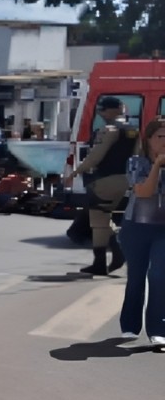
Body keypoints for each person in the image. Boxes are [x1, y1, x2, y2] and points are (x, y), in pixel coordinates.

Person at [65, 96, 133, 275]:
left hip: (105, 179)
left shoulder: (109, 130)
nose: (101, 114)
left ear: (113, 110)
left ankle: (103, 261)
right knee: (102, 218)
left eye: (103, 110)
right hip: (124, 179)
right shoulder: (132, 130)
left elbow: (95, 157)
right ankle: (113, 256)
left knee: (98, 221)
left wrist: (74, 173)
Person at [117, 118, 165, 344]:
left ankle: (158, 330)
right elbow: (144, 192)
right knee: (136, 278)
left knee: (159, 277)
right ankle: (130, 325)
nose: (164, 142)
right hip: (136, 227)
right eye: (160, 137)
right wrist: (157, 165)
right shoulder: (137, 162)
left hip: (162, 231)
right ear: (149, 140)